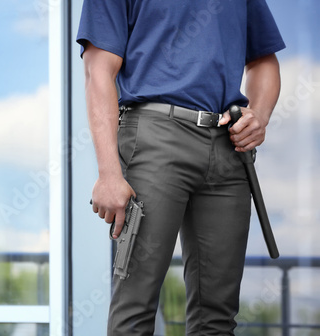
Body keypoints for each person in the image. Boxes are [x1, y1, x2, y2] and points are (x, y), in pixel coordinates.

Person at [77, 0, 285, 335]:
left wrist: (258, 115)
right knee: (136, 306)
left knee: (217, 318)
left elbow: (263, 60)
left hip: (228, 146)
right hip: (154, 137)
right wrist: (109, 173)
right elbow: (98, 69)